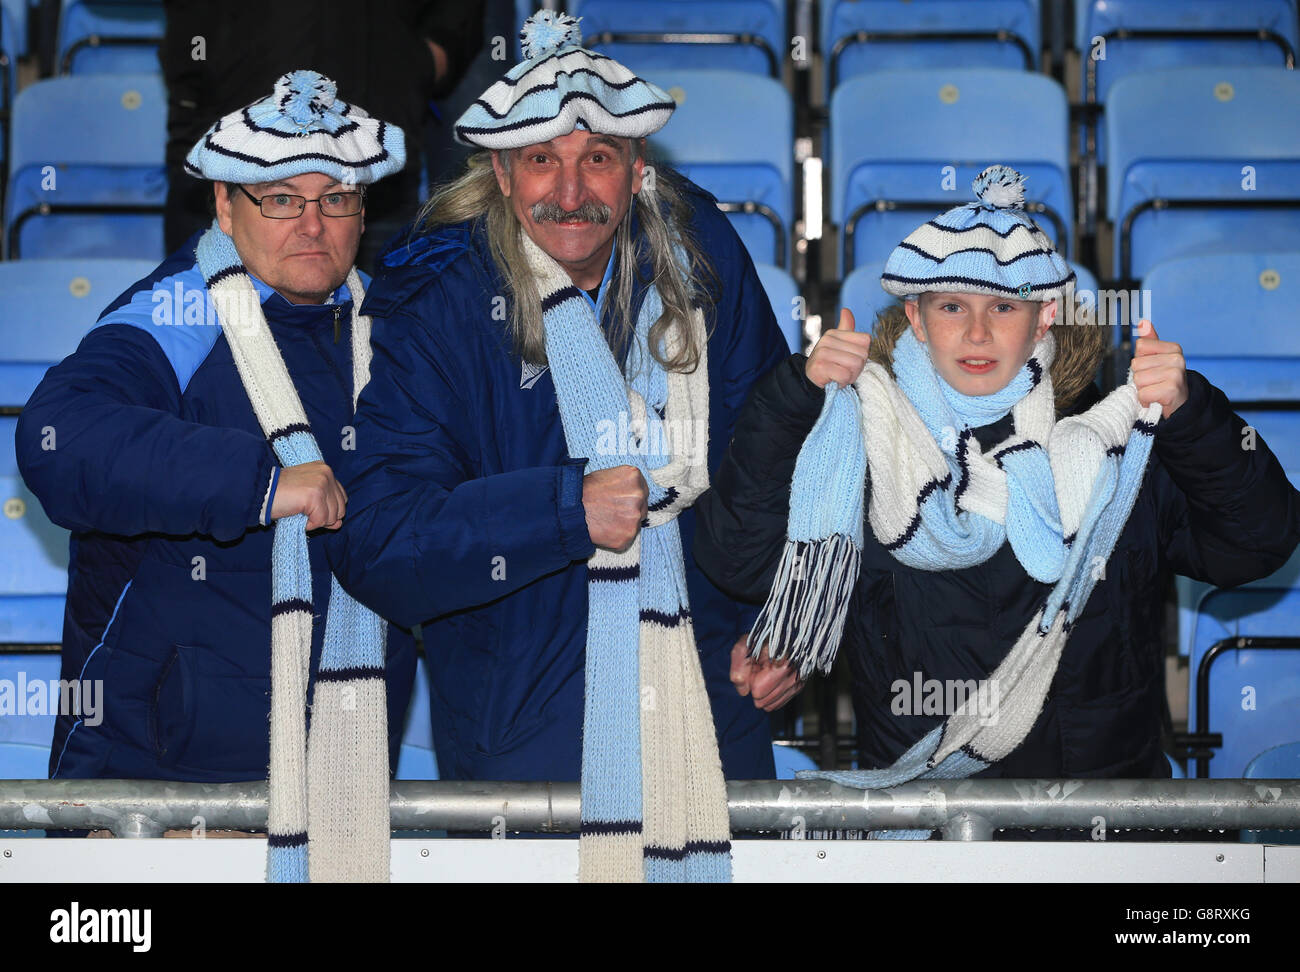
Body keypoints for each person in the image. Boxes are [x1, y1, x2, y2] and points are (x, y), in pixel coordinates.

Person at [326, 12, 790, 880]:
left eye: (598, 159)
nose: (570, 191)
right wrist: (562, 510)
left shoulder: (702, 256)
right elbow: (380, 540)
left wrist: (784, 623)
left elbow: (772, 462)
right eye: (542, 158)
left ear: (636, 170)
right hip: (527, 747)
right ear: (500, 171)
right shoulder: (440, 301)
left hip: (706, 718)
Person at [693, 166, 1300, 827]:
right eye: (952, 306)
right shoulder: (864, 440)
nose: (977, 334)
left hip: (1103, 831)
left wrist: (1193, 417)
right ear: (916, 322)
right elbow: (740, 564)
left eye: (1003, 307)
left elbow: (1259, 543)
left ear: (1042, 319)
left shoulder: (1114, 443)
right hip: (925, 832)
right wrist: (794, 399)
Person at [18, 71, 414, 879]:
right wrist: (261, 483)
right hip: (158, 801)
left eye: (336, 198)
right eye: (279, 198)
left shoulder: (397, 328)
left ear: (364, 212)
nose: (312, 223)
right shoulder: (179, 310)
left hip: (342, 784)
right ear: (224, 207)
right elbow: (60, 438)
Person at [159, 0, 486, 267]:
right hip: (229, 162)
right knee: (208, 336)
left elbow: (457, 15)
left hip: (375, 175)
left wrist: (427, 58)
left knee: (374, 336)